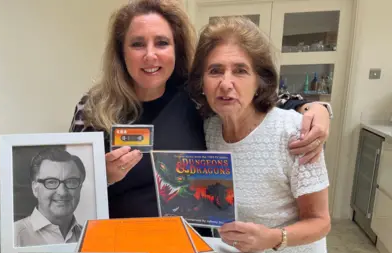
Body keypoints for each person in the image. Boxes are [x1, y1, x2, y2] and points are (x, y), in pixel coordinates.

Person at [69, 0, 331, 234]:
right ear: (121, 52)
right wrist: (101, 176)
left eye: (162, 43)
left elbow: (265, 98)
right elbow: (65, 190)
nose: (150, 55)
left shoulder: (198, 96)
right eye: (137, 44)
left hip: (193, 248)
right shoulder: (93, 107)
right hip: (122, 245)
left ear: (177, 49)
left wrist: (315, 109)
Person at [188, 16, 330, 253]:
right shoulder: (208, 129)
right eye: (215, 70)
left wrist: (274, 238)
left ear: (259, 82)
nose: (226, 83)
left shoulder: (295, 132)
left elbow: (320, 222)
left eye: (240, 70)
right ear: (202, 82)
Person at [14, 147, 86, 247]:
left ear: (80, 187)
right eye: (51, 182)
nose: (62, 192)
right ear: (35, 188)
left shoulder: (91, 238)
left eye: (70, 181)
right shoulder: (14, 236)